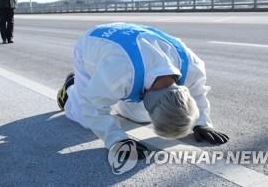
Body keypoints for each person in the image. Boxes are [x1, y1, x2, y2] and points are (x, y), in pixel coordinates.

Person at [57, 23, 229, 168]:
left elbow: (198, 91)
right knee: (85, 117)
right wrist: (117, 140)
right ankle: (70, 89)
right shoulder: (120, 71)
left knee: (139, 117)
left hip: (131, 44)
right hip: (92, 43)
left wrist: (201, 123)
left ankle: (111, 93)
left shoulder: (192, 65)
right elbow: (92, 105)